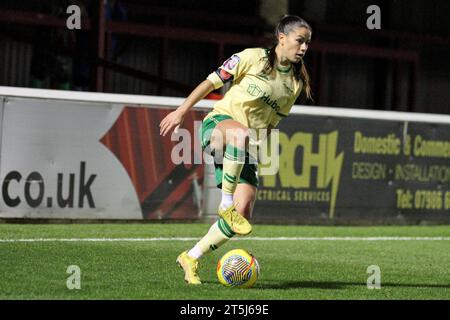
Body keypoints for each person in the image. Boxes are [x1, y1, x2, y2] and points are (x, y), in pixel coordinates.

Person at [159, 15, 313, 284]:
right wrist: (182, 111)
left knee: (244, 212)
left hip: (244, 147)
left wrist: (253, 152)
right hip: (218, 127)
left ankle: (191, 257)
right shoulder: (251, 58)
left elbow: (270, 124)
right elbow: (211, 82)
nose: (303, 48)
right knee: (239, 135)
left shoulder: (295, 85)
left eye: (307, 43)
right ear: (282, 38)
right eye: (300, 41)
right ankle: (225, 204)